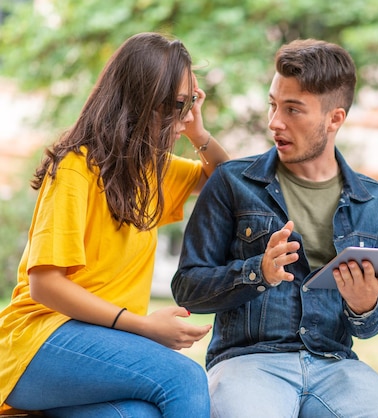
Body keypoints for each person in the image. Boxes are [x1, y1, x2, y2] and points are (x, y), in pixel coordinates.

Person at [172, 38, 378, 417]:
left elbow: (372, 324)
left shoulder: (375, 200)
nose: (274, 122)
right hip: (248, 361)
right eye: (273, 105)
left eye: (293, 110)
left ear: (334, 118)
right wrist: (258, 273)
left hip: (335, 365)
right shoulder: (232, 182)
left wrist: (364, 304)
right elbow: (188, 289)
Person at [0, 32, 229, 417]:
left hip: (101, 347)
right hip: (39, 340)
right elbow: (45, 283)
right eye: (176, 104)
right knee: (185, 379)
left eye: (191, 102)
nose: (187, 114)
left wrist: (197, 132)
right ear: (139, 100)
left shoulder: (150, 171)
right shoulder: (77, 166)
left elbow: (227, 183)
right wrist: (143, 326)